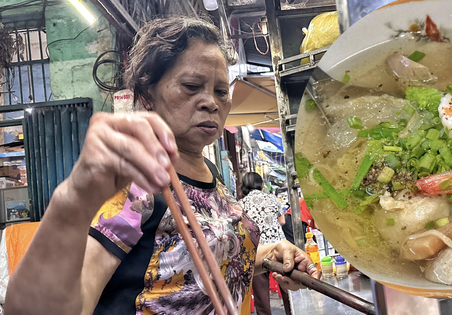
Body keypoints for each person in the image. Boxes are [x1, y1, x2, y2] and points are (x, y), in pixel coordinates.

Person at [4, 16, 318, 315]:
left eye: (221, 91)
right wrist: (73, 197)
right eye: (192, 86)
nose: (211, 101)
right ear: (147, 94)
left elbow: (203, 261)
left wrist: (271, 256)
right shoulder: (136, 183)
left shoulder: (211, 172)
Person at [239, 172, 289, 315]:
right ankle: (290, 311)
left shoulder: (241, 204)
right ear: (260, 184)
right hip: (278, 248)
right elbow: (282, 221)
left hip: (257, 250)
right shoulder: (271, 198)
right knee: (287, 288)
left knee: (261, 296)